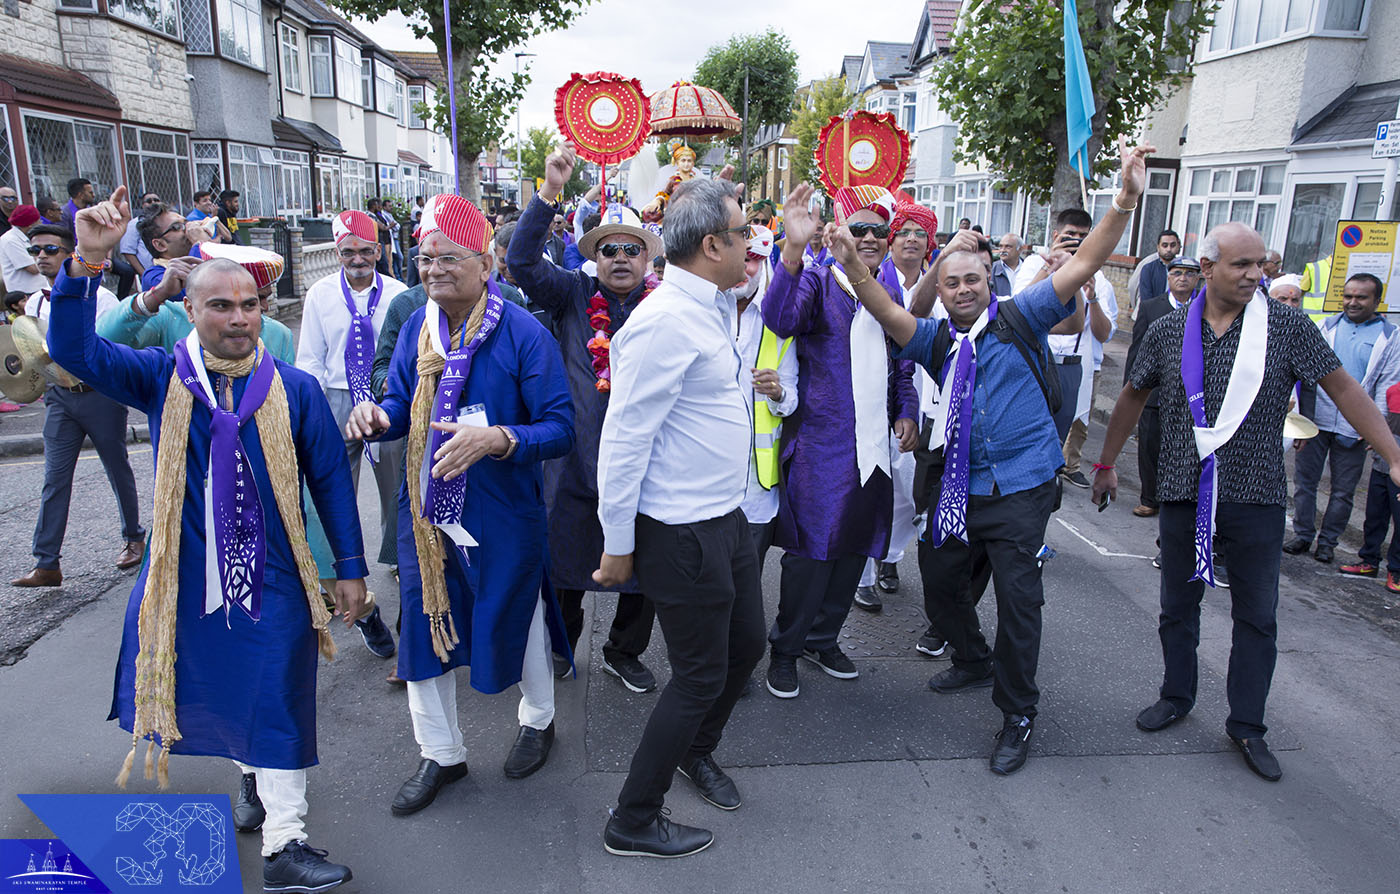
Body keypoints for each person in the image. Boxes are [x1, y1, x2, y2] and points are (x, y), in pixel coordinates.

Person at [50, 187, 368, 891]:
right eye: (219, 305)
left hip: (277, 575)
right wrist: (87, 262)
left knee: (281, 689)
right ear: (188, 311)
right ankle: (257, 779)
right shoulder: (162, 380)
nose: (237, 317)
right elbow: (70, 349)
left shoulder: (297, 389)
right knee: (227, 690)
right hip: (186, 578)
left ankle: (286, 845)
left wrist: (348, 567)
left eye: (249, 305)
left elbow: (330, 484)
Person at [853, 138, 1157, 776]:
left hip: (1021, 486)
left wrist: (1124, 201)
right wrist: (848, 261)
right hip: (960, 487)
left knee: (1021, 601)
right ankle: (969, 658)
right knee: (939, 582)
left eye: (973, 279)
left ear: (989, 283)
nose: (963, 288)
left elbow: (1083, 264)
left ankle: (1018, 711)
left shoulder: (1022, 315)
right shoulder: (935, 339)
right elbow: (883, 308)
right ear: (941, 286)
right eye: (951, 279)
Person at [1094, 222, 1400, 782]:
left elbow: (1342, 388)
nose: (1255, 274)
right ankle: (1175, 694)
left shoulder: (1285, 325)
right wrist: (1107, 463)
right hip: (1185, 490)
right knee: (1177, 605)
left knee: (1256, 616)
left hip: (1256, 496)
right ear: (1207, 269)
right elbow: (1133, 394)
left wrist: (1392, 454)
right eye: (1241, 265)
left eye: (1259, 264)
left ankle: (1248, 725)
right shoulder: (1168, 329)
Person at [345, 192, 575, 813]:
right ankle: (440, 753)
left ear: (486, 263)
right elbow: (397, 406)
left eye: (448, 258)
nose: (434, 270)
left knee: (516, 613)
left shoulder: (523, 332)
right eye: (424, 260)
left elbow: (560, 427)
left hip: (502, 508)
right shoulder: (419, 331)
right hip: (426, 511)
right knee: (424, 623)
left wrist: (498, 438)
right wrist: (376, 414)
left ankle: (538, 718)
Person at [594, 177, 766, 859]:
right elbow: (625, 438)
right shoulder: (665, 319)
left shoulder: (714, 303)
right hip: (681, 531)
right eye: (744, 230)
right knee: (698, 674)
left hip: (727, 521)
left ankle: (695, 750)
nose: (752, 241)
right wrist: (617, 545)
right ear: (712, 244)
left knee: (746, 647)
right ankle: (633, 817)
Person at [507, 142, 663, 692]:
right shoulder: (573, 293)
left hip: (646, 461)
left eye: (631, 249)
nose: (620, 258)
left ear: (648, 260)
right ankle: (559, 644)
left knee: (646, 564)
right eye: (608, 249)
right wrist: (549, 191)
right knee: (565, 557)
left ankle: (624, 650)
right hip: (574, 458)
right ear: (594, 258)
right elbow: (522, 262)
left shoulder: (664, 305)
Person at [760, 183, 918, 699]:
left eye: (880, 230)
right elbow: (779, 318)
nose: (871, 237)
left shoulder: (886, 290)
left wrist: (908, 409)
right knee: (811, 555)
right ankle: (785, 649)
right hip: (822, 447)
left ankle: (822, 639)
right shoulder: (815, 281)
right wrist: (792, 248)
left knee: (855, 548)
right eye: (861, 228)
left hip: (873, 448)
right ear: (839, 233)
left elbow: (901, 360)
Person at [295, 210, 407, 652]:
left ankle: (399, 559)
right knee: (332, 490)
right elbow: (310, 358)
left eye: (365, 251)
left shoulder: (399, 293)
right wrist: (316, 414)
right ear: (337, 253)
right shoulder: (320, 294)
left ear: (378, 251)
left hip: (385, 400)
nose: (357, 259)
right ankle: (343, 563)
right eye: (348, 252)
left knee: (395, 485)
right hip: (337, 400)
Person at [10, 221, 145, 587]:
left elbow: (108, 349)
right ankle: (47, 562)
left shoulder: (101, 298)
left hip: (99, 396)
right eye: (34, 251)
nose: (41, 257)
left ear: (70, 253)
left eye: (50, 250)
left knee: (117, 468)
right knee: (54, 479)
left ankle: (134, 537)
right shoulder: (36, 301)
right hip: (59, 399)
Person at [855, 201, 939, 612]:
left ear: (930, 243)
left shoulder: (945, 282)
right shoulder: (875, 281)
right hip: (879, 400)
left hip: (927, 405)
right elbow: (905, 320)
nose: (910, 239)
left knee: (908, 490)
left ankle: (888, 556)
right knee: (872, 486)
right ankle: (863, 576)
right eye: (903, 231)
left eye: (919, 234)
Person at [1284, 273, 1400, 563]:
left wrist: (1377, 426)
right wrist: (1300, 416)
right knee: (1305, 483)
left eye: (1361, 297)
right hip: (1316, 421)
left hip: (1355, 427)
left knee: (1343, 491)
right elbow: (1302, 376)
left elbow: (1387, 383)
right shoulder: (1322, 328)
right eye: (1348, 296)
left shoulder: (1390, 337)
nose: (1352, 302)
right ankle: (1303, 535)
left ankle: (1327, 543)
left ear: (1377, 301)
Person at [1013, 210, 1098, 478]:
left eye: (1082, 237)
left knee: (1054, 446)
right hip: (1035, 361)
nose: (1075, 241)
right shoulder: (1032, 265)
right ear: (1056, 235)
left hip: (1070, 368)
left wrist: (1076, 271)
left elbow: (1077, 324)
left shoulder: (1091, 271)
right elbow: (1016, 312)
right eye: (1070, 235)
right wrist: (1052, 266)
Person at [733, 224, 798, 571]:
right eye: (739, 258)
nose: (745, 268)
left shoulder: (779, 319)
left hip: (757, 485)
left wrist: (779, 392)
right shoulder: (707, 310)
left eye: (754, 260)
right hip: (706, 479)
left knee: (745, 580)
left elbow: (791, 399)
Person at [1125, 255, 1201, 519]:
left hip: (1191, 394)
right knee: (1150, 446)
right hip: (1155, 392)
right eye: (1177, 273)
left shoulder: (1205, 307)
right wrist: (1131, 388)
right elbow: (1136, 350)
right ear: (1168, 277)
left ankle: (1178, 497)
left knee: (1184, 449)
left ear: (1197, 279)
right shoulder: (1150, 307)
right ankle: (1149, 498)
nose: (1183, 278)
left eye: (1189, 274)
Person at [1340, 381, 1400, 592]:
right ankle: (1369, 560)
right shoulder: (1393, 389)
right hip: (1382, 461)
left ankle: (1396, 570)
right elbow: (1386, 422)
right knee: (1375, 515)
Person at [136, 201, 209, 299]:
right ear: (160, 245)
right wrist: (200, 245)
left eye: (186, 223)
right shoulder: (154, 278)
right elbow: (198, 293)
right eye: (177, 227)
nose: (188, 229)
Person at [115, 192, 161, 301]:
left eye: (156, 200)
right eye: (149, 201)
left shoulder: (166, 221)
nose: (153, 203)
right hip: (150, 274)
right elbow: (128, 252)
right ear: (143, 205)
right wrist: (144, 274)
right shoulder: (134, 224)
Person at [0, 204, 49, 295]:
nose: (41, 223)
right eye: (39, 221)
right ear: (30, 225)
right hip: (25, 294)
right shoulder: (10, 240)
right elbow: (33, 268)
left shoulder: (29, 237)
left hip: (40, 289)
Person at [1128, 230, 1180, 309]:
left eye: (1172, 245)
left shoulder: (1182, 268)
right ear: (1158, 247)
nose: (1169, 249)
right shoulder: (1148, 265)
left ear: (1178, 246)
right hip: (1149, 315)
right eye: (1165, 245)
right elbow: (1133, 287)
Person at [1298, 253, 1331, 322]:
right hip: (1313, 322)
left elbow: (1300, 292)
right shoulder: (1314, 268)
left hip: (1314, 320)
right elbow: (1298, 293)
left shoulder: (1315, 267)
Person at [990, 233, 1021, 298]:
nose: (1003, 250)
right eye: (1000, 246)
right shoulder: (992, 269)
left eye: (1008, 247)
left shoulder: (1027, 268)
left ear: (1020, 249)